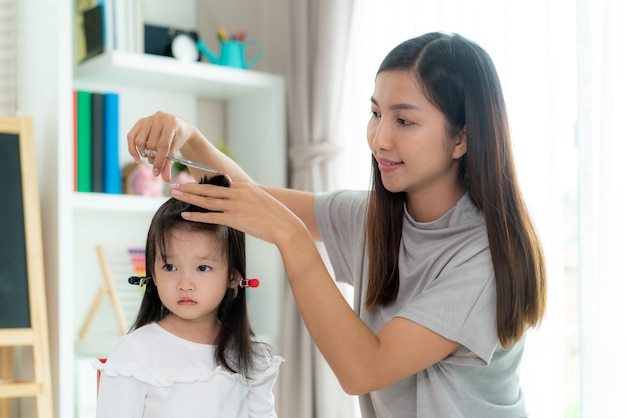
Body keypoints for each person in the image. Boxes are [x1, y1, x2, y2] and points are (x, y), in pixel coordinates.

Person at [127, 32, 547, 417]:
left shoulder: (485, 259)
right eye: (375, 113)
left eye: (404, 121)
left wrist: (291, 236)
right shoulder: (375, 218)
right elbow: (252, 200)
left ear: (462, 138)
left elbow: (363, 369)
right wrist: (191, 139)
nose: (380, 138)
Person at [94, 174, 284, 418]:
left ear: (233, 276)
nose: (185, 284)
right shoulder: (135, 353)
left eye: (203, 268)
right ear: (152, 272)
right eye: (170, 267)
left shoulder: (252, 356)